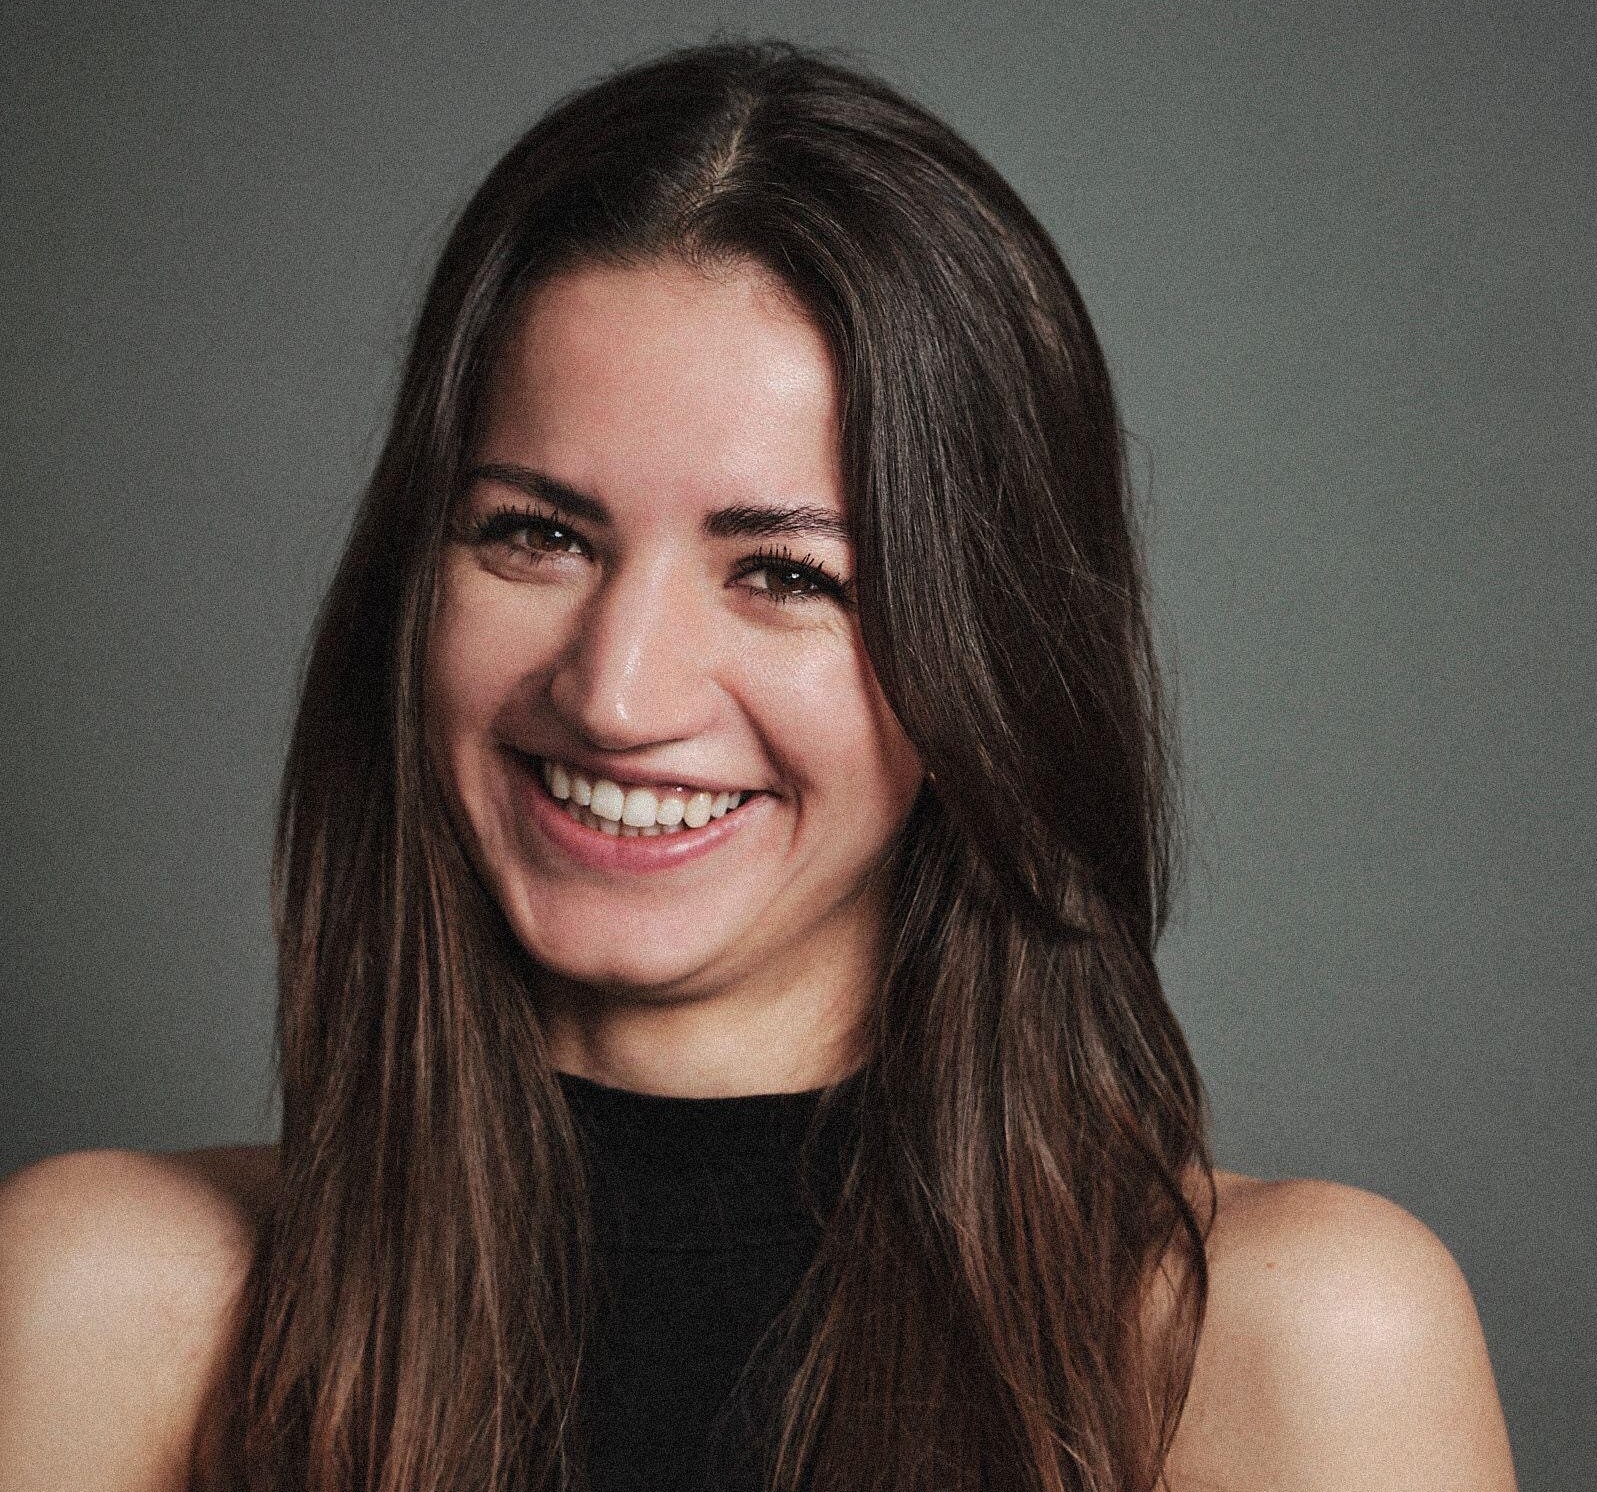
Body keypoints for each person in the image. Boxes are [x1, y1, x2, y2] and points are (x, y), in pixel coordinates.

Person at [0, 39, 1517, 1492]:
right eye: (535, 533)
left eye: (788, 574)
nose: (613, 690)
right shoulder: (100, 1309)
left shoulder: (1294, 1342)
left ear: (982, 656)